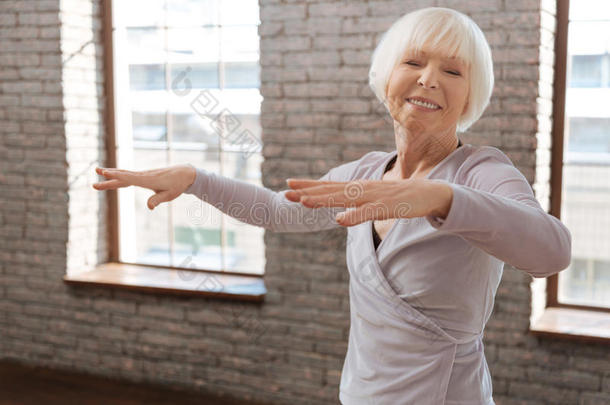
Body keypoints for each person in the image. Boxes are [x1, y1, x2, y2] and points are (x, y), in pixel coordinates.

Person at [93, 7, 572, 405]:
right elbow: (278, 211)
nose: (428, 80)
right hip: (362, 394)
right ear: (387, 77)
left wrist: (441, 197)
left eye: (452, 71)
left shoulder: (481, 172)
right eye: (414, 63)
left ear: (471, 95)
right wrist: (195, 179)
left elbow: (551, 252)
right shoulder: (366, 174)